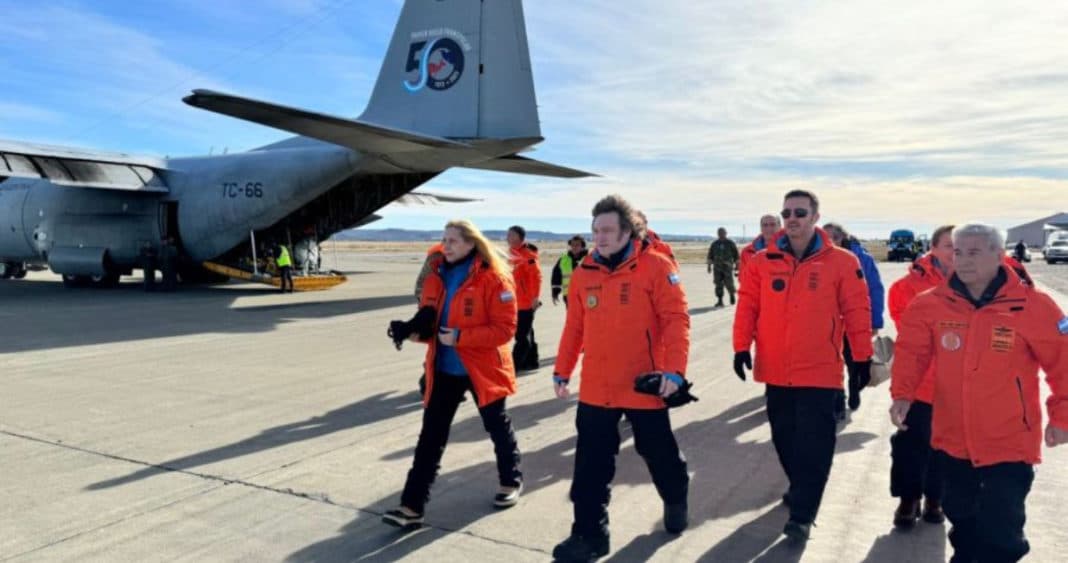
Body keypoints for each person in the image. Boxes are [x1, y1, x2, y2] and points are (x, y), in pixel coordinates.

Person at [890, 223, 1068, 562]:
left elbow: (1064, 363)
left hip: (1009, 441)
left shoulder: (1033, 306)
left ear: (999, 256)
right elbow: (912, 352)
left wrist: (1063, 416)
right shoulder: (930, 304)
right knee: (963, 520)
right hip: (953, 439)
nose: (964, 260)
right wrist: (903, 394)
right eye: (958, 252)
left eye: (974, 252)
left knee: (1003, 531)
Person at [551, 194, 691, 561]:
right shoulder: (584, 272)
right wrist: (562, 369)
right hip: (597, 387)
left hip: (644, 383)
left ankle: (676, 496)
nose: (600, 236)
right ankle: (590, 535)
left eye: (608, 229)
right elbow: (574, 327)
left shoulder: (657, 267)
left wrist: (674, 373)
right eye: (595, 230)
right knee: (590, 467)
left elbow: (677, 321)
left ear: (627, 231)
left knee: (659, 454)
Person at [733, 189, 873, 541]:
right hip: (776, 370)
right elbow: (747, 306)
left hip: (821, 371)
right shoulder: (761, 262)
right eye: (786, 213)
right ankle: (801, 487)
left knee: (816, 444)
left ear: (815, 217)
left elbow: (856, 311)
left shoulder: (841, 261)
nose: (791, 218)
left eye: (799, 212)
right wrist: (740, 346)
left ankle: (803, 512)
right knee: (784, 439)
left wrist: (861, 356)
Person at [383, 220, 523, 529]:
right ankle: (411, 507)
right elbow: (431, 321)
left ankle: (511, 480)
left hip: (482, 369)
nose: (446, 246)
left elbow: (505, 329)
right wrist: (410, 331)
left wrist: (460, 337)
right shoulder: (436, 278)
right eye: (444, 240)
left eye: (454, 241)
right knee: (430, 437)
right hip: (444, 368)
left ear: (472, 244)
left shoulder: (495, 279)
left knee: (496, 426)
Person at [886, 224, 954, 527]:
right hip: (921, 381)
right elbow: (908, 329)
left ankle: (936, 499)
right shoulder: (908, 286)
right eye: (949, 245)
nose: (956, 252)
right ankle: (908, 498)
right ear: (933, 248)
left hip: (958, 385)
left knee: (945, 448)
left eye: (961, 245)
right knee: (911, 445)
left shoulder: (978, 282)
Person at [824, 222, 885, 416]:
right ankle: (838, 399)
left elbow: (875, 289)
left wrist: (875, 322)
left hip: (855, 319)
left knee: (852, 360)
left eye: (833, 237)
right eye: (825, 237)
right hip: (829, 322)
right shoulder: (818, 259)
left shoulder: (862, 258)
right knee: (832, 362)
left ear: (841, 238)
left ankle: (853, 389)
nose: (829, 241)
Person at [508, 226, 541, 371]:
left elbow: (536, 277)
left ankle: (515, 364)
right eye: (508, 235)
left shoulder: (527, 255)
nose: (508, 237)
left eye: (511, 235)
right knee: (527, 331)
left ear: (520, 237)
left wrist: (535, 298)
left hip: (526, 302)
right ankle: (532, 361)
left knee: (521, 335)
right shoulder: (512, 254)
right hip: (516, 301)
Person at [739, 214, 781, 283]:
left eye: (772, 224)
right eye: (765, 225)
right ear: (760, 228)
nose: (769, 228)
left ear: (780, 227)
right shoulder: (747, 252)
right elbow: (743, 279)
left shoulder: (790, 249)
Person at [551, 235, 588, 307]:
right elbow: (556, 275)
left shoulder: (589, 259)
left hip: (586, 294)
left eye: (577, 245)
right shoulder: (564, 259)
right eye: (572, 245)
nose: (574, 247)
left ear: (582, 246)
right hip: (569, 295)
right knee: (572, 317)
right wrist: (555, 290)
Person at [707, 227, 740, 307]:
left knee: (729, 283)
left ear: (726, 233)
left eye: (722, 233)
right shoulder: (714, 244)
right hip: (717, 267)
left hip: (727, 267)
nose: (721, 234)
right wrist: (709, 266)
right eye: (719, 233)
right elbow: (710, 255)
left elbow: (736, 256)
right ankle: (720, 300)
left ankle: (732, 294)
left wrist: (737, 266)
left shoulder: (730, 243)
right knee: (718, 283)